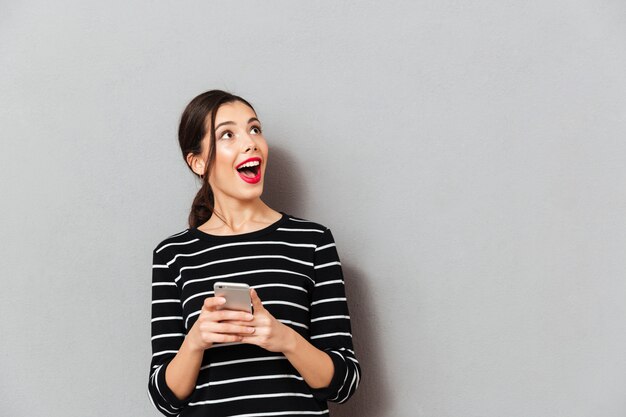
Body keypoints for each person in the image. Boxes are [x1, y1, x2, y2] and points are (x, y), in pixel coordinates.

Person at [148, 90, 361, 417]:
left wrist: (284, 338)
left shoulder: (312, 242)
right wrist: (195, 341)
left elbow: (345, 383)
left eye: (255, 129)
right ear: (199, 161)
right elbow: (164, 399)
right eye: (228, 134)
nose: (250, 142)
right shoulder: (173, 255)